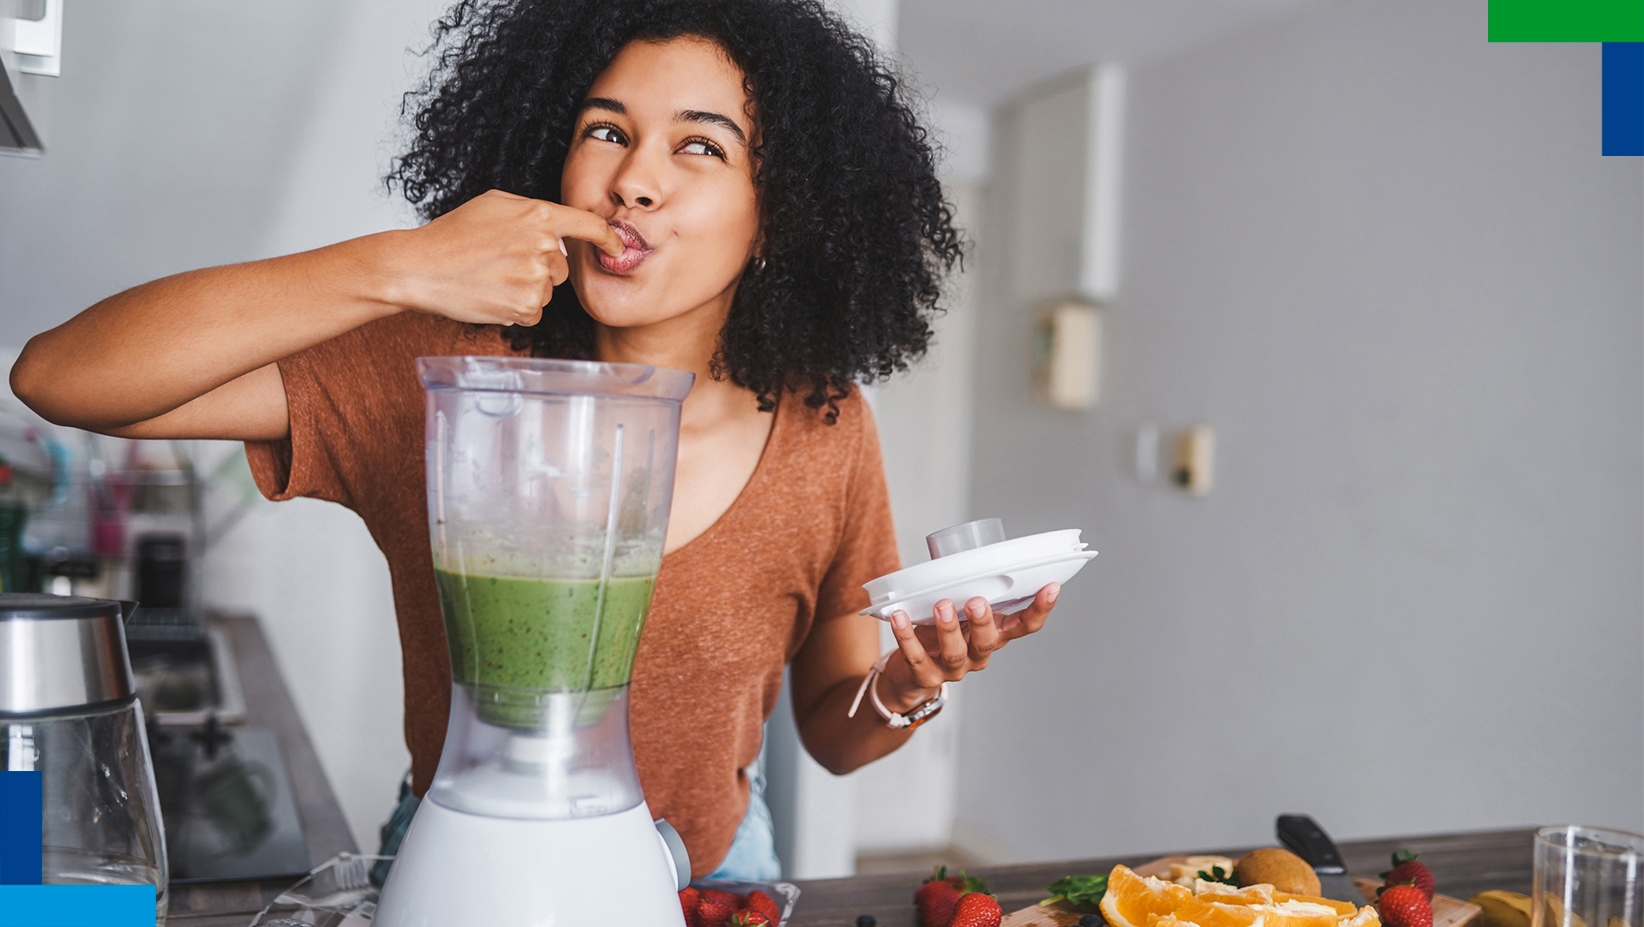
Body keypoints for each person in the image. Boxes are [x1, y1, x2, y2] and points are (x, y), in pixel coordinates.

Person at [11, 0, 1061, 880]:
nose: (632, 178)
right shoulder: (442, 374)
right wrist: (404, 265)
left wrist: (911, 685)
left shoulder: (826, 427)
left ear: (779, 213)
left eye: (700, 145)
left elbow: (836, 734)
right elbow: (58, 377)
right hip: (464, 865)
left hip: (714, 883)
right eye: (606, 129)